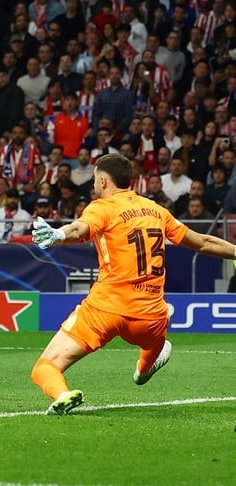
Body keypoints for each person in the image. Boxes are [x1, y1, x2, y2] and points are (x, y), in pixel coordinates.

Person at [30, 153, 236, 415]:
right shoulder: (156, 210)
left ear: (103, 181)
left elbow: (80, 229)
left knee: (45, 366)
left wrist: (58, 234)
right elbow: (203, 243)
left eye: (94, 179)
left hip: (105, 310)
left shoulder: (102, 207)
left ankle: (63, 394)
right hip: (151, 315)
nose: (94, 185)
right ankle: (143, 368)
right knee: (153, 347)